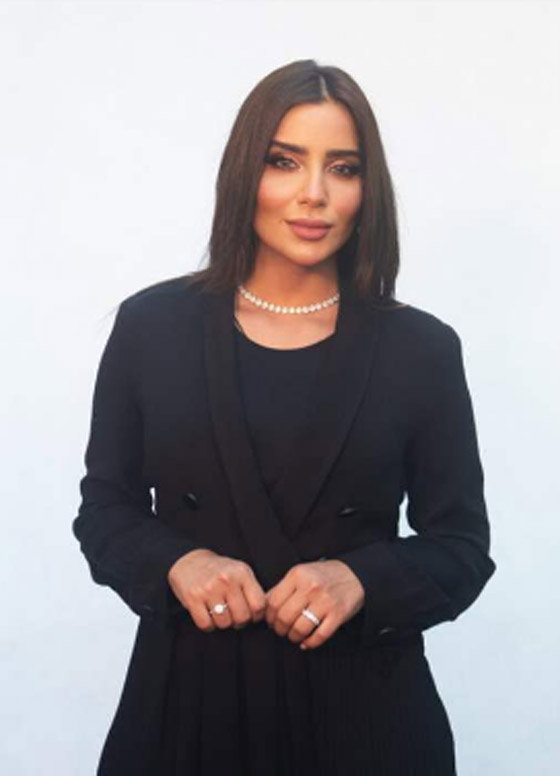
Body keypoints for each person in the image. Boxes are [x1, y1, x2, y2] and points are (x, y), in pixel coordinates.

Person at [72, 59, 496, 776]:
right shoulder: (151, 327)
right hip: (189, 709)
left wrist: (361, 579)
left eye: (343, 168)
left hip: (365, 718)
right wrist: (178, 562)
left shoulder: (422, 349)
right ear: (246, 172)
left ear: (368, 190)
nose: (314, 194)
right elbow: (104, 510)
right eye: (285, 161)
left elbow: (461, 546)